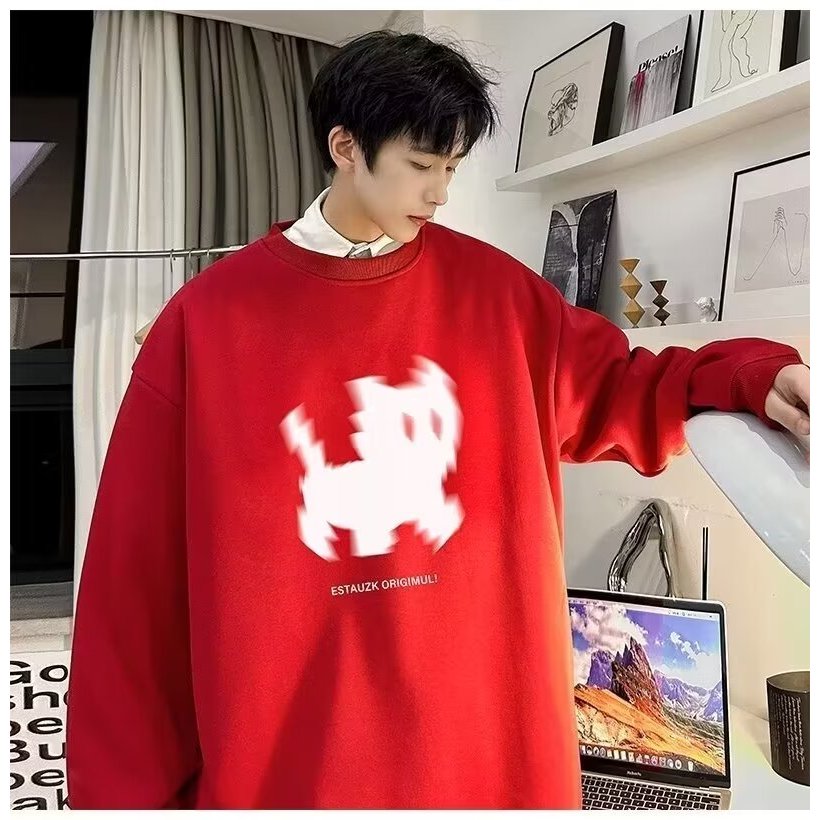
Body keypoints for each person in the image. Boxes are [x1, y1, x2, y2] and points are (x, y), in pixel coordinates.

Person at [66, 30, 810, 809]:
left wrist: (752, 378)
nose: (440, 193)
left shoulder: (497, 297)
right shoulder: (207, 324)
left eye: (451, 168)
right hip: (298, 767)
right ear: (345, 148)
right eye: (422, 165)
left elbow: (624, 386)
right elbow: (134, 596)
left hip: (480, 751)